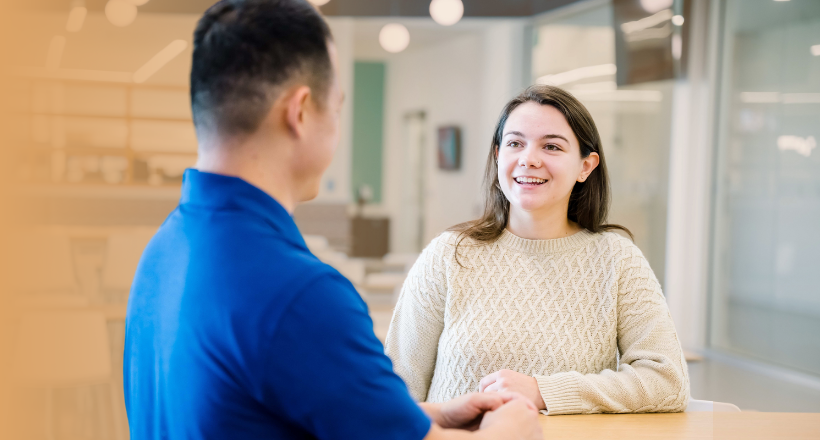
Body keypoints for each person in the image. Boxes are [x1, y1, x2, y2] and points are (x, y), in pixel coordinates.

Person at [122, 1, 543, 439]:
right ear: (300, 112)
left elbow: (256, 409)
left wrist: (427, 415)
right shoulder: (298, 294)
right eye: (337, 108)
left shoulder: (164, 251)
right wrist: (512, 425)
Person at [385, 85, 690, 415]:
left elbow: (667, 381)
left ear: (585, 166)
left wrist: (544, 392)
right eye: (515, 143)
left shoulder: (617, 259)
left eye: (552, 146)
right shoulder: (449, 254)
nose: (529, 159)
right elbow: (396, 391)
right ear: (498, 155)